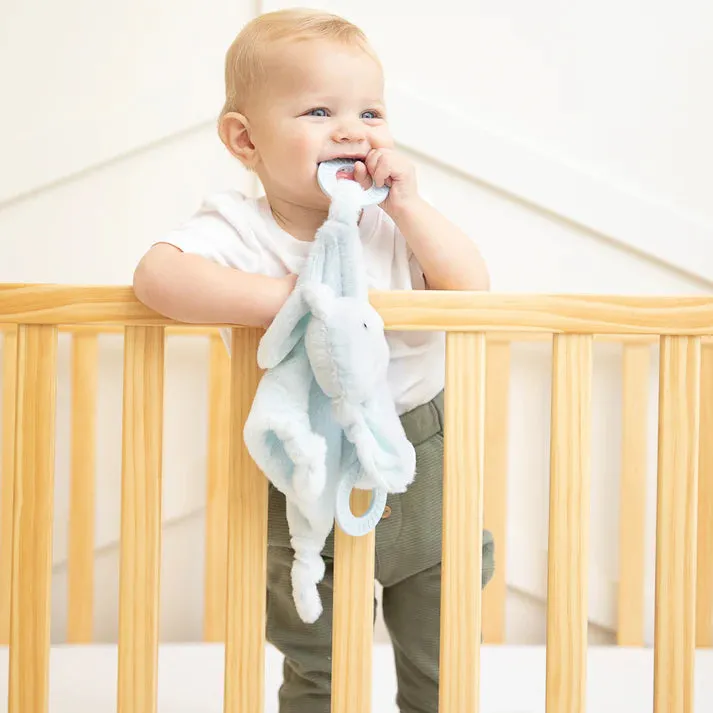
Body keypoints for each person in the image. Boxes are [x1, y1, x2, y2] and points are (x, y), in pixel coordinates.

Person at [132, 8, 494, 713]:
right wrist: (295, 299)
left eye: (371, 112)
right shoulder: (239, 228)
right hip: (308, 471)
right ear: (245, 139)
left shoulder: (389, 222)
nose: (352, 130)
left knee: (441, 665)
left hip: (421, 455)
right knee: (319, 667)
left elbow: (469, 288)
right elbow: (157, 278)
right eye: (318, 110)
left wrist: (411, 205)